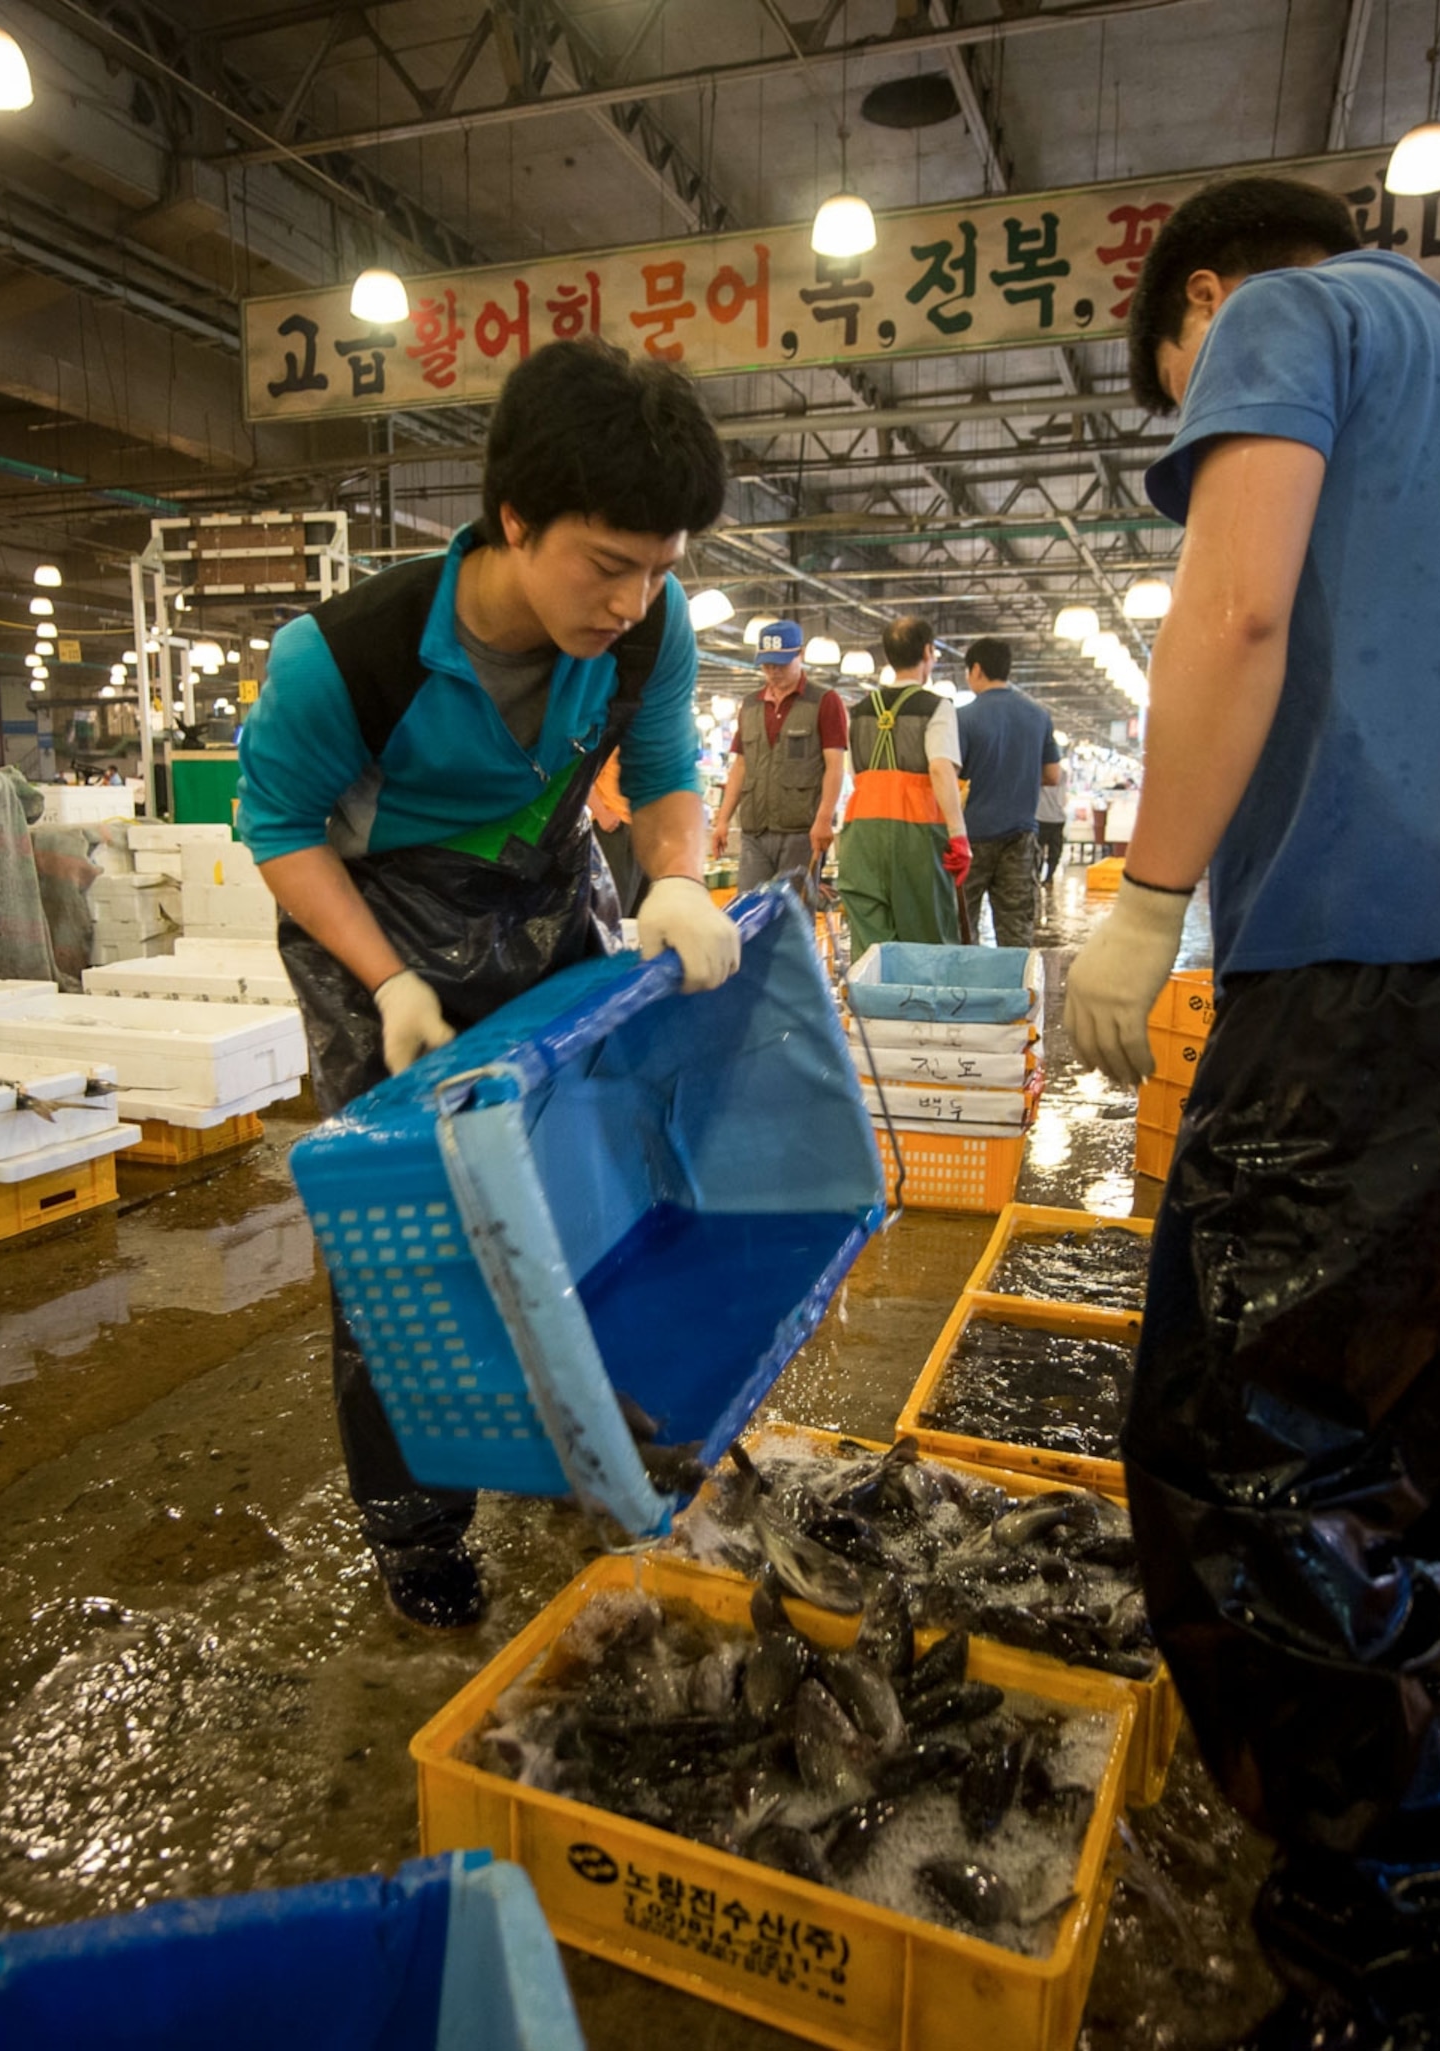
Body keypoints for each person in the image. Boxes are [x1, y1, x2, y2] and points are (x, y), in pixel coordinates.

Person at [1061, 175, 1440, 2047]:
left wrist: (1147, 895)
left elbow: (1235, 616)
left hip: (1369, 997)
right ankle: (1393, 1901)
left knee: (1250, 1474)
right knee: (1392, 1493)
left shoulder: (1289, 316)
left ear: (1202, 300)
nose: (1201, 413)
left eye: (1181, 393)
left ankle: (1401, 1989)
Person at [238, 337, 740, 1630]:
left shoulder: (651, 627)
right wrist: (389, 981)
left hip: (543, 889)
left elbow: (666, 766)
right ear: (515, 519)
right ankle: (418, 1533)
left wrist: (678, 876)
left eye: (659, 566)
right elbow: (279, 827)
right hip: (380, 920)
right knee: (404, 1236)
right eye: (606, 562)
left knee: (592, 1173)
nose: (631, 599)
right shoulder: (346, 657)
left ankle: (590, 1426)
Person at [837, 617, 968, 951]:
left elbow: (855, 774)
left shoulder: (859, 712)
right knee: (926, 941)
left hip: (861, 834)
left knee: (871, 945)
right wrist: (958, 835)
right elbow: (940, 769)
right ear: (928, 652)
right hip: (917, 836)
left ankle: (874, 988)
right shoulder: (937, 708)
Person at [706, 620, 848, 892]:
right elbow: (740, 766)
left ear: (800, 654)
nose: (773, 672)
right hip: (755, 832)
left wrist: (824, 819)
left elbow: (834, 766)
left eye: (781, 664)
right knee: (749, 908)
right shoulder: (750, 705)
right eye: (767, 665)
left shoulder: (824, 701)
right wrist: (723, 820)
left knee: (793, 911)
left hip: (801, 833)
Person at [952, 636, 1061, 946]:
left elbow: (951, 774)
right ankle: (1015, 979)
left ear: (976, 670)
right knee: (1016, 932)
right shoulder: (1038, 715)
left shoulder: (964, 717)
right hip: (1020, 838)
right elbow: (1052, 775)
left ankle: (965, 978)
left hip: (971, 840)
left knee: (962, 928)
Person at [589, 747, 643, 915]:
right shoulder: (609, 736)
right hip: (616, 831)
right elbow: (579, 776)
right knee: (615, 912)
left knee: (641, 914)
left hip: (644, 830)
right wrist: (601, 812)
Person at [1036, 773, 1069, 884]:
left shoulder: (1040, 771)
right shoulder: (1062, 773)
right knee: (1054, 851)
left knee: (1038, 850)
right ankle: (1048, 878)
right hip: (1057, 817)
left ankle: (1040, 877)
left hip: (1042, 817)